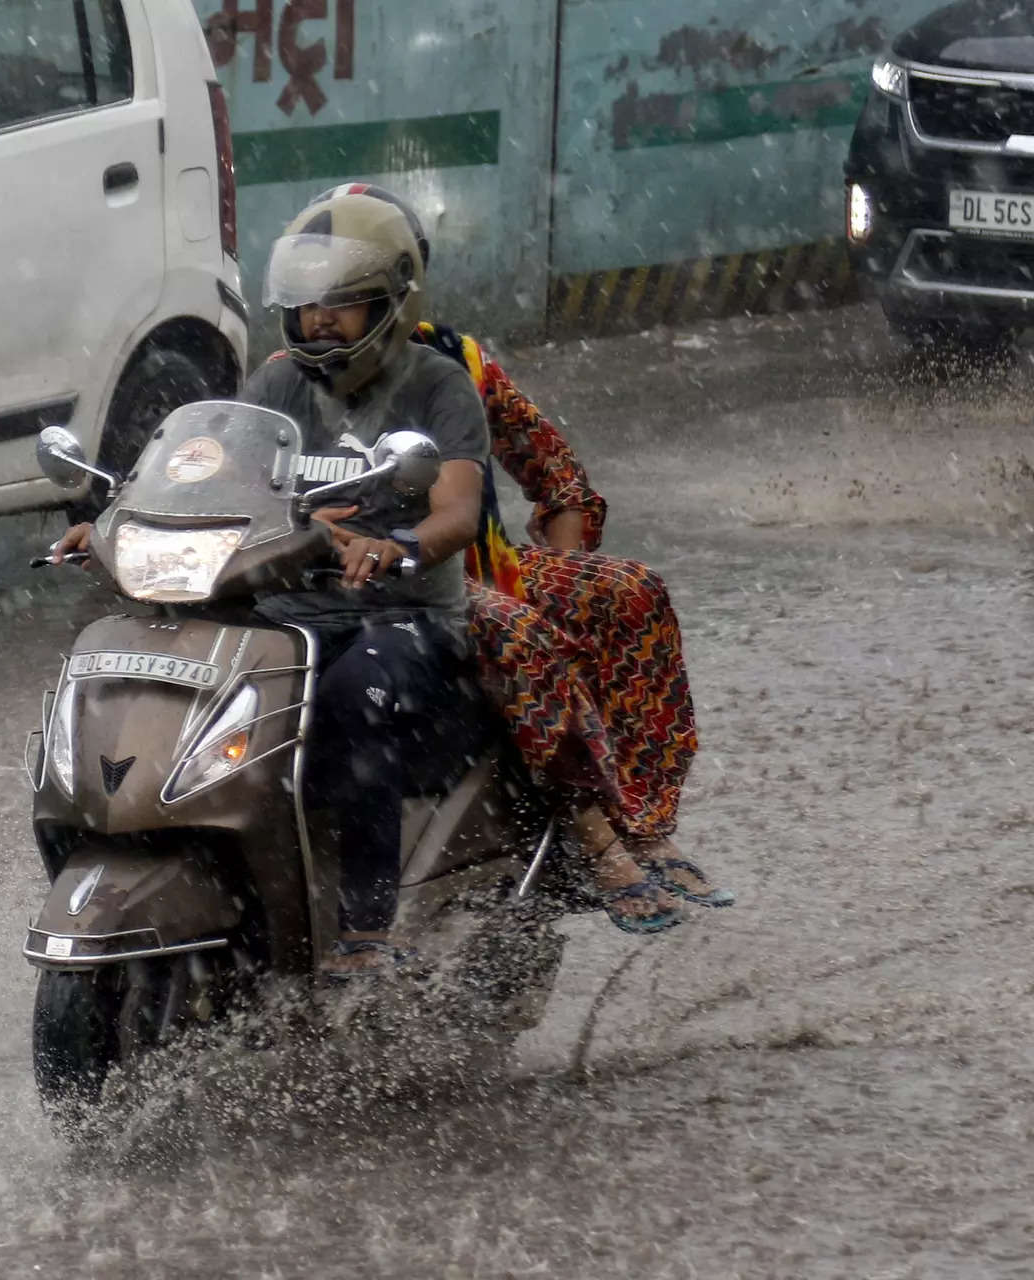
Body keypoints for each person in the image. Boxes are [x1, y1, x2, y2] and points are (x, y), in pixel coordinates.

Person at [53, 189, 491, 979]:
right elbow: (211, 479)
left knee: (357, 691)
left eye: (344, 306)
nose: (322, 322)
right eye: (308, 307)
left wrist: (396, 550)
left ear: (393, 302)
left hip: (401, 617)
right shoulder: (278, 385)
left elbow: (457, 511)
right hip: (292, 612)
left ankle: (365, 926)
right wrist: (118, 521)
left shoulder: (438, 387)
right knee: (184, 672)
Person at [304, 183, 731, 933]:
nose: (325, 312)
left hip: (491, 570)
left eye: (349, 293)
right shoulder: (292, 376)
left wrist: (557, 578)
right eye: (319, 294)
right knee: (527, 642)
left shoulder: (456, 360)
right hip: (398, 588)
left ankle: (645, 822)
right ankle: (592, 839)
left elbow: (556, 473)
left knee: (632, 595)